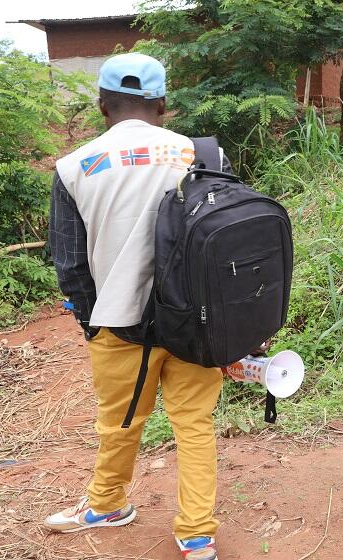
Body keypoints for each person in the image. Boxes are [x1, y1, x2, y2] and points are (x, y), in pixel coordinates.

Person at [44, 52, 228, 560]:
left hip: (119, 323)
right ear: (163, 104)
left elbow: (70, 263)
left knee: (120, 423)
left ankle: (106, 504)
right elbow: (227, 244)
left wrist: (91, 322)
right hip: (198, 322)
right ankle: (197, 536)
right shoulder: (203, 154)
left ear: (102, 105)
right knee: (194, 426)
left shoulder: (73, 167)